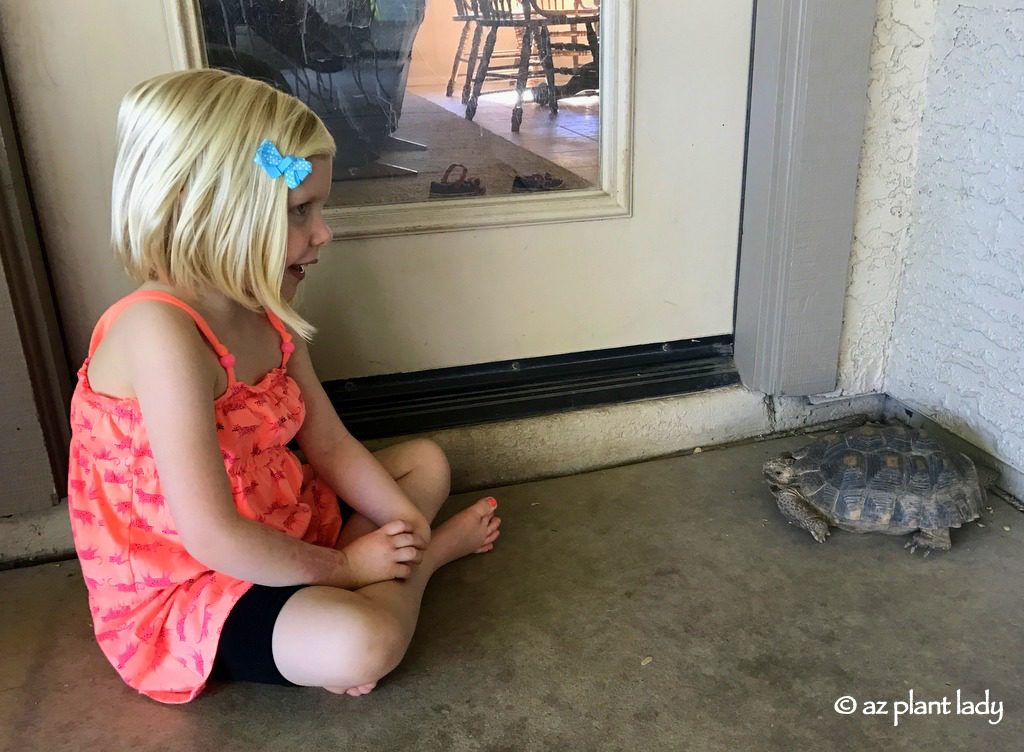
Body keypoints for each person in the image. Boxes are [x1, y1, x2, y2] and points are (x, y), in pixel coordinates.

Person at [67, 68, 501, 704]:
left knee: (423, 464)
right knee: (365, 642)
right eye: (301, 211)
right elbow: (211, 535)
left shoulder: (263, 311)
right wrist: (358, 565)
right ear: (211, 211)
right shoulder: (157, 331)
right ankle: (420, 571)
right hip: (193, 585)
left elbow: (330, 444)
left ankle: (386, 570)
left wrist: (404, 523)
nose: (323, 231)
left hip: (282, 529)